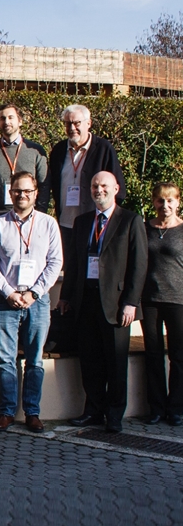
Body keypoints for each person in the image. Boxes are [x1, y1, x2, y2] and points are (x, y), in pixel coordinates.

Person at [58, 171, 148, 433]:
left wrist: (131, 301)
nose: (99, 190)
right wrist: (65, 296)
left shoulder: (131, 220)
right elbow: (73, 263)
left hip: (117, 304)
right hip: (85, 301)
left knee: (116, 363)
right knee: (90, 361)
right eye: (95, 186)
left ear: (116, 188)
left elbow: (139, 265)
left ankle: (115, 414)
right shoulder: (83, 221)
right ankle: (93, 411)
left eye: (104, 185)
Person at [0, 172, 63, 433]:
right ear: (11, 193)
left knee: (35, 360)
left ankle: (32, 412)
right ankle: (6, 412)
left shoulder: (49, 224)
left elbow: (55, 263)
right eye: (17, 191)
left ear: (35, 193)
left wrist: (34, 293)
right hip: (6, 299)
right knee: (6, 359)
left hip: (37, 301)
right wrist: (9, 293)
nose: (22, 195)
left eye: (27, 191)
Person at [49, 104, 126, 262]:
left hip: (94, 223)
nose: (72, 128)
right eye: (67, 123)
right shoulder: (58, 150)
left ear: (88, 123)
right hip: (66, 223)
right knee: (70, 270)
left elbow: (119, 189)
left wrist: (106, 218)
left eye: (77, 123)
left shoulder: (104, 149)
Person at [141, 183, 183, 427]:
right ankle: (156, 408)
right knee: (153, 355)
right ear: (154, 202)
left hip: (178, 300)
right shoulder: (146, 228)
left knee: (178, 356)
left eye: (170, 201)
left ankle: (176, 408)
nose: (165, 206)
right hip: (150, 300)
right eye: (160, 201)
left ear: (178, 202)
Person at [0, 104, 49, 225]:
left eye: (11, 117)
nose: (6, 122)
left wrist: (40, 213)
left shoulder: (35, 150)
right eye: (2, 118)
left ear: (20, 121)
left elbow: (44, 185)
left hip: (29, 217)